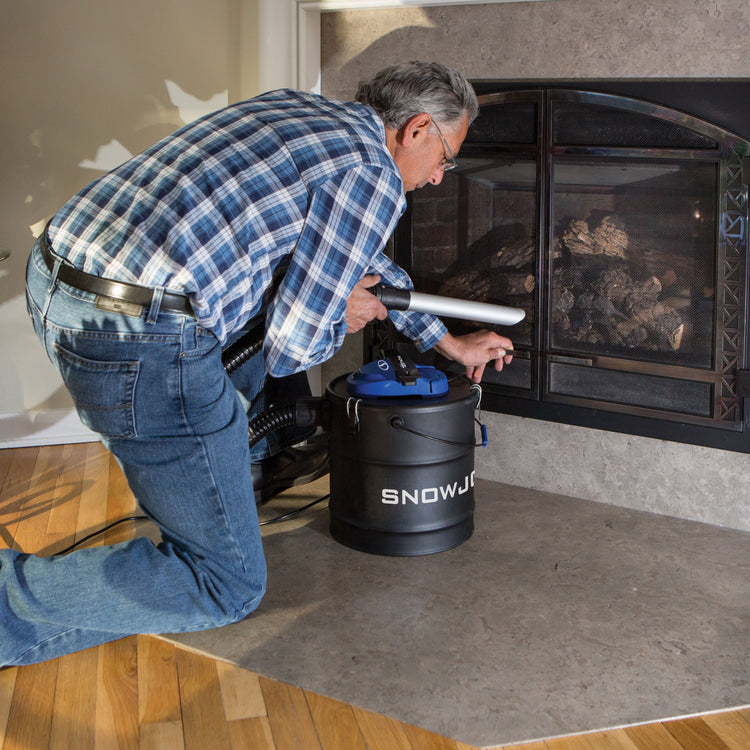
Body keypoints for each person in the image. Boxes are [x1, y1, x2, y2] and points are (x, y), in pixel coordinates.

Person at [2, 61, 514, 666]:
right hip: (139, 337)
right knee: (225, 585)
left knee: (260, 318)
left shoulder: (303, 110)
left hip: (59, 275)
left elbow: (359, 255)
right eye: (446, 159)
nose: (437, 179)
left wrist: (447, 343)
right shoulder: (371, 176)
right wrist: (338, 316)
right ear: (419, 129)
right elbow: (293, 346)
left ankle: (217, 483)